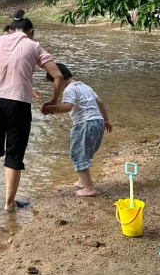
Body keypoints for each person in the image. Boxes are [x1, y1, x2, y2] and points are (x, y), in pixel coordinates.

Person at [0, 10, 64, 211]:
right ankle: (9, 204)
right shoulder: (33, 45)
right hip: (18, 104)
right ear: (30, 31)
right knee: (14, 155)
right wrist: (53, 100)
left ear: (11, 28)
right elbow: (57, 75)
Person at [43, 63, 113, 197]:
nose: (55, 86)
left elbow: (67, 107)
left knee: (78, 155)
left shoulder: (69, 89)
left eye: (54, 82)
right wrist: (106, 121)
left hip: (84, 125)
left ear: (59, 78)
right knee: (85, 152)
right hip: (98, 123)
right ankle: (82, 181)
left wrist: (51, 109)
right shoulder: (85, 86)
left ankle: (89, 189)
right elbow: (101, 102)